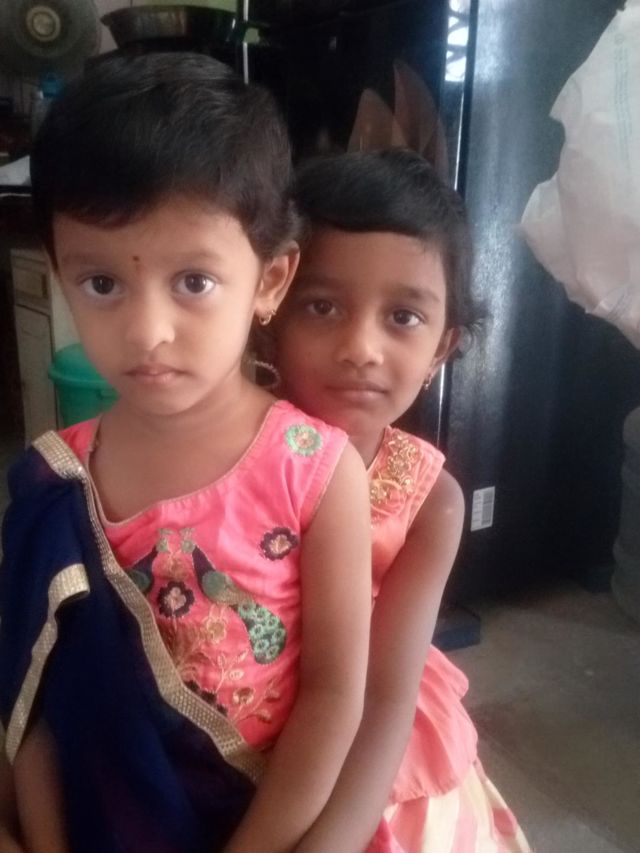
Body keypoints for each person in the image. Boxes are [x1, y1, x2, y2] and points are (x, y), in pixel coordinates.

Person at [0, 54, 372, 853]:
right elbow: (33, 705)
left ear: (270, 280)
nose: (147, 332)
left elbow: (335, 695)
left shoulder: (315, 472)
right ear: (61, 274)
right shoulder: (51, 482)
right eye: (102, 284)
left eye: (194, 282)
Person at [267, 149, 532, 852]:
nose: (361, 347)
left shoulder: (431, 502)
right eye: (322, 306)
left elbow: (387, 697)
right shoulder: (227, 453)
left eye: (404, 316)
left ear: (443, 346)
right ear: (270, 306)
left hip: (374, 764)